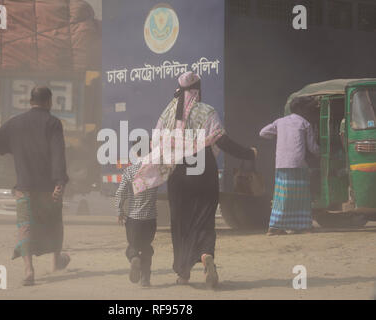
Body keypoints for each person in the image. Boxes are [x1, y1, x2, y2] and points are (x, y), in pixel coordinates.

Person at [133, 72, 256, 288]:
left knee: (180, 223)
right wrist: (249, 153)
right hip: (203, 171)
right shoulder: (207, 111)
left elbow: (155, 143)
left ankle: (183, 274)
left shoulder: (167, 112)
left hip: (179, 175)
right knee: (205, 218)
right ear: (198, 88)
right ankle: (206, 254)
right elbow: (223, 141)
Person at [0, 86, 70, 286]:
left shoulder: (16, 122)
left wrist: (12, 148)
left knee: (25, 226)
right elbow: (58, 152)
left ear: (30, 101)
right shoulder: (53, 123)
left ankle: (28, 270)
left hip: (24, 186)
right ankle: (55, 261)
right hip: (48, 187)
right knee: (54, 223)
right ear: (49, 102)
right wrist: (60, 181)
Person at [260, 96, 320, 236]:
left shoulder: (280, 122)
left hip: (281, 163)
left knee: (282, 196)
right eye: (307, 109)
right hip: (298, 163)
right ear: (300, 109)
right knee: (301, 196)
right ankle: (303, 226)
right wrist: (323, 154)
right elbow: (313, 148)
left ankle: (275, 227)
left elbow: (262, 133)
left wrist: (278, 135)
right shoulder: (305, 123)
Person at [115, 143, 158, 287]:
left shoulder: (130, 171)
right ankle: (145, 279)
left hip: (133, 218)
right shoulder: (156, 171)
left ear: (136, 153)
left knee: (133, 245)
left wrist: (119, 211)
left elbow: (120, 193)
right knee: (146, 247)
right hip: (150, 219)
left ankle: (134, 258)